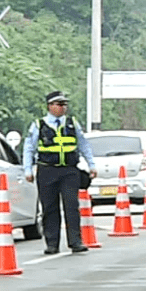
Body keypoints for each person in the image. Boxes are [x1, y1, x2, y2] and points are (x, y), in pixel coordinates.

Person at [23, 90, 97, 255]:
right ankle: (52, 244)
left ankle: (75, 241)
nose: (63, 108)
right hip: (47, 170)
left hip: (69, 170)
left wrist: (91, 164)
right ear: (50, 106)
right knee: (49, 208)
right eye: (59, 104)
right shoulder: (38, 125)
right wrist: (27, 170)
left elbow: (83, 144)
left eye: (65, 104)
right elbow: (29, 148)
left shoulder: (72, 123)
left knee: (72, 206)